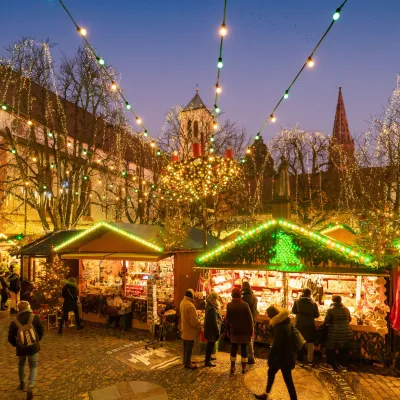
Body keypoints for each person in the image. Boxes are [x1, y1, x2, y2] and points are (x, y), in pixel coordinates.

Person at [254, 306, 297, 400]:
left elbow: (277, 344)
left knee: (286, 378)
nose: (268, 317)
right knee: (274, 373)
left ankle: (267, 395)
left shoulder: (279, 326)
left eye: (268, 315)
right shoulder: (286, 322)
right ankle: (265, 394)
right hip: (286, 354)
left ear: (272, 315)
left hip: (282, 357)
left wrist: (271, 358)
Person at [8, 301, 44, 400]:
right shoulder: (35, 317)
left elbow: (10, 337)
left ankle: (22, 382)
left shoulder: (14, 321)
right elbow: (41, 330)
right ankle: (31, 386)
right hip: (33, 347)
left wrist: (16, 345)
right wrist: (37, 340)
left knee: (21, 364)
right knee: (33, 365)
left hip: (21, 348)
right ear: (28, 307)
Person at [321, 295, 353, 372]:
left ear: (332, 300)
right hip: (347, 332)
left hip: (334, 332)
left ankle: (329, 365)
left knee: (330, 347)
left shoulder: (330, 310)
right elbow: (349, 320)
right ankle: (342, 366)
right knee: (344, 349)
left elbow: (327, 322)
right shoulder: (346, 309)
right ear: (340, 301)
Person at [226, 287, 253, 375]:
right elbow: (250, 319)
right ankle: (243, 368)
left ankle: (232, 367)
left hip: (234, 330)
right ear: (240, 295)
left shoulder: (229, 305)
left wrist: (228, 331)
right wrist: (251, 330)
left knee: (233, 348)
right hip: (244, 331)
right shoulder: (245, 305)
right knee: (244, 349)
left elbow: (227, 320)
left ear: (232, 295)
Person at [292, 287, 319, 366]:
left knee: (300, 341)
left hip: (299, 324)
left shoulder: (297, 301)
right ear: (310, 294)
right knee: (310, 342)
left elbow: (293, 311)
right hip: (310, 324)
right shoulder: (313, 303)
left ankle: (300, 360)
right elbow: (317, 315)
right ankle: (310, 360)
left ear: (302, 293)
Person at [180, 288, 201, 369]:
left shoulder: (182, 302)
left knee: (185, 346)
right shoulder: (190, 306)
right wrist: (199, 323)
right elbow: (193, 322)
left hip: (184, 328)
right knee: (189, 346)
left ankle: (185, 360)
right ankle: (188, 363)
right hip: (189, 330)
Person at [203, 291, 222, 367]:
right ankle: (207, 361)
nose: (217, 300)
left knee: (210, 344)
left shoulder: (210, 306)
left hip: (210, 329)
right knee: (210, 344)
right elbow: (214, 322)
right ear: (213, 299)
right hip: (211, 330)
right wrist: (217, 331)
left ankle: (208, 357)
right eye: (216, 298)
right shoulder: (212, 309)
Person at [242, 281, 258, 365]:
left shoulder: (243, 298)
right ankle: (251, 355)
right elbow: (255, 310)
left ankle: (250, 357)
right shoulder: (254, 297)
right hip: (253, 319)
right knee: (251, 336)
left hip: (245, 319)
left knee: (247, 338)